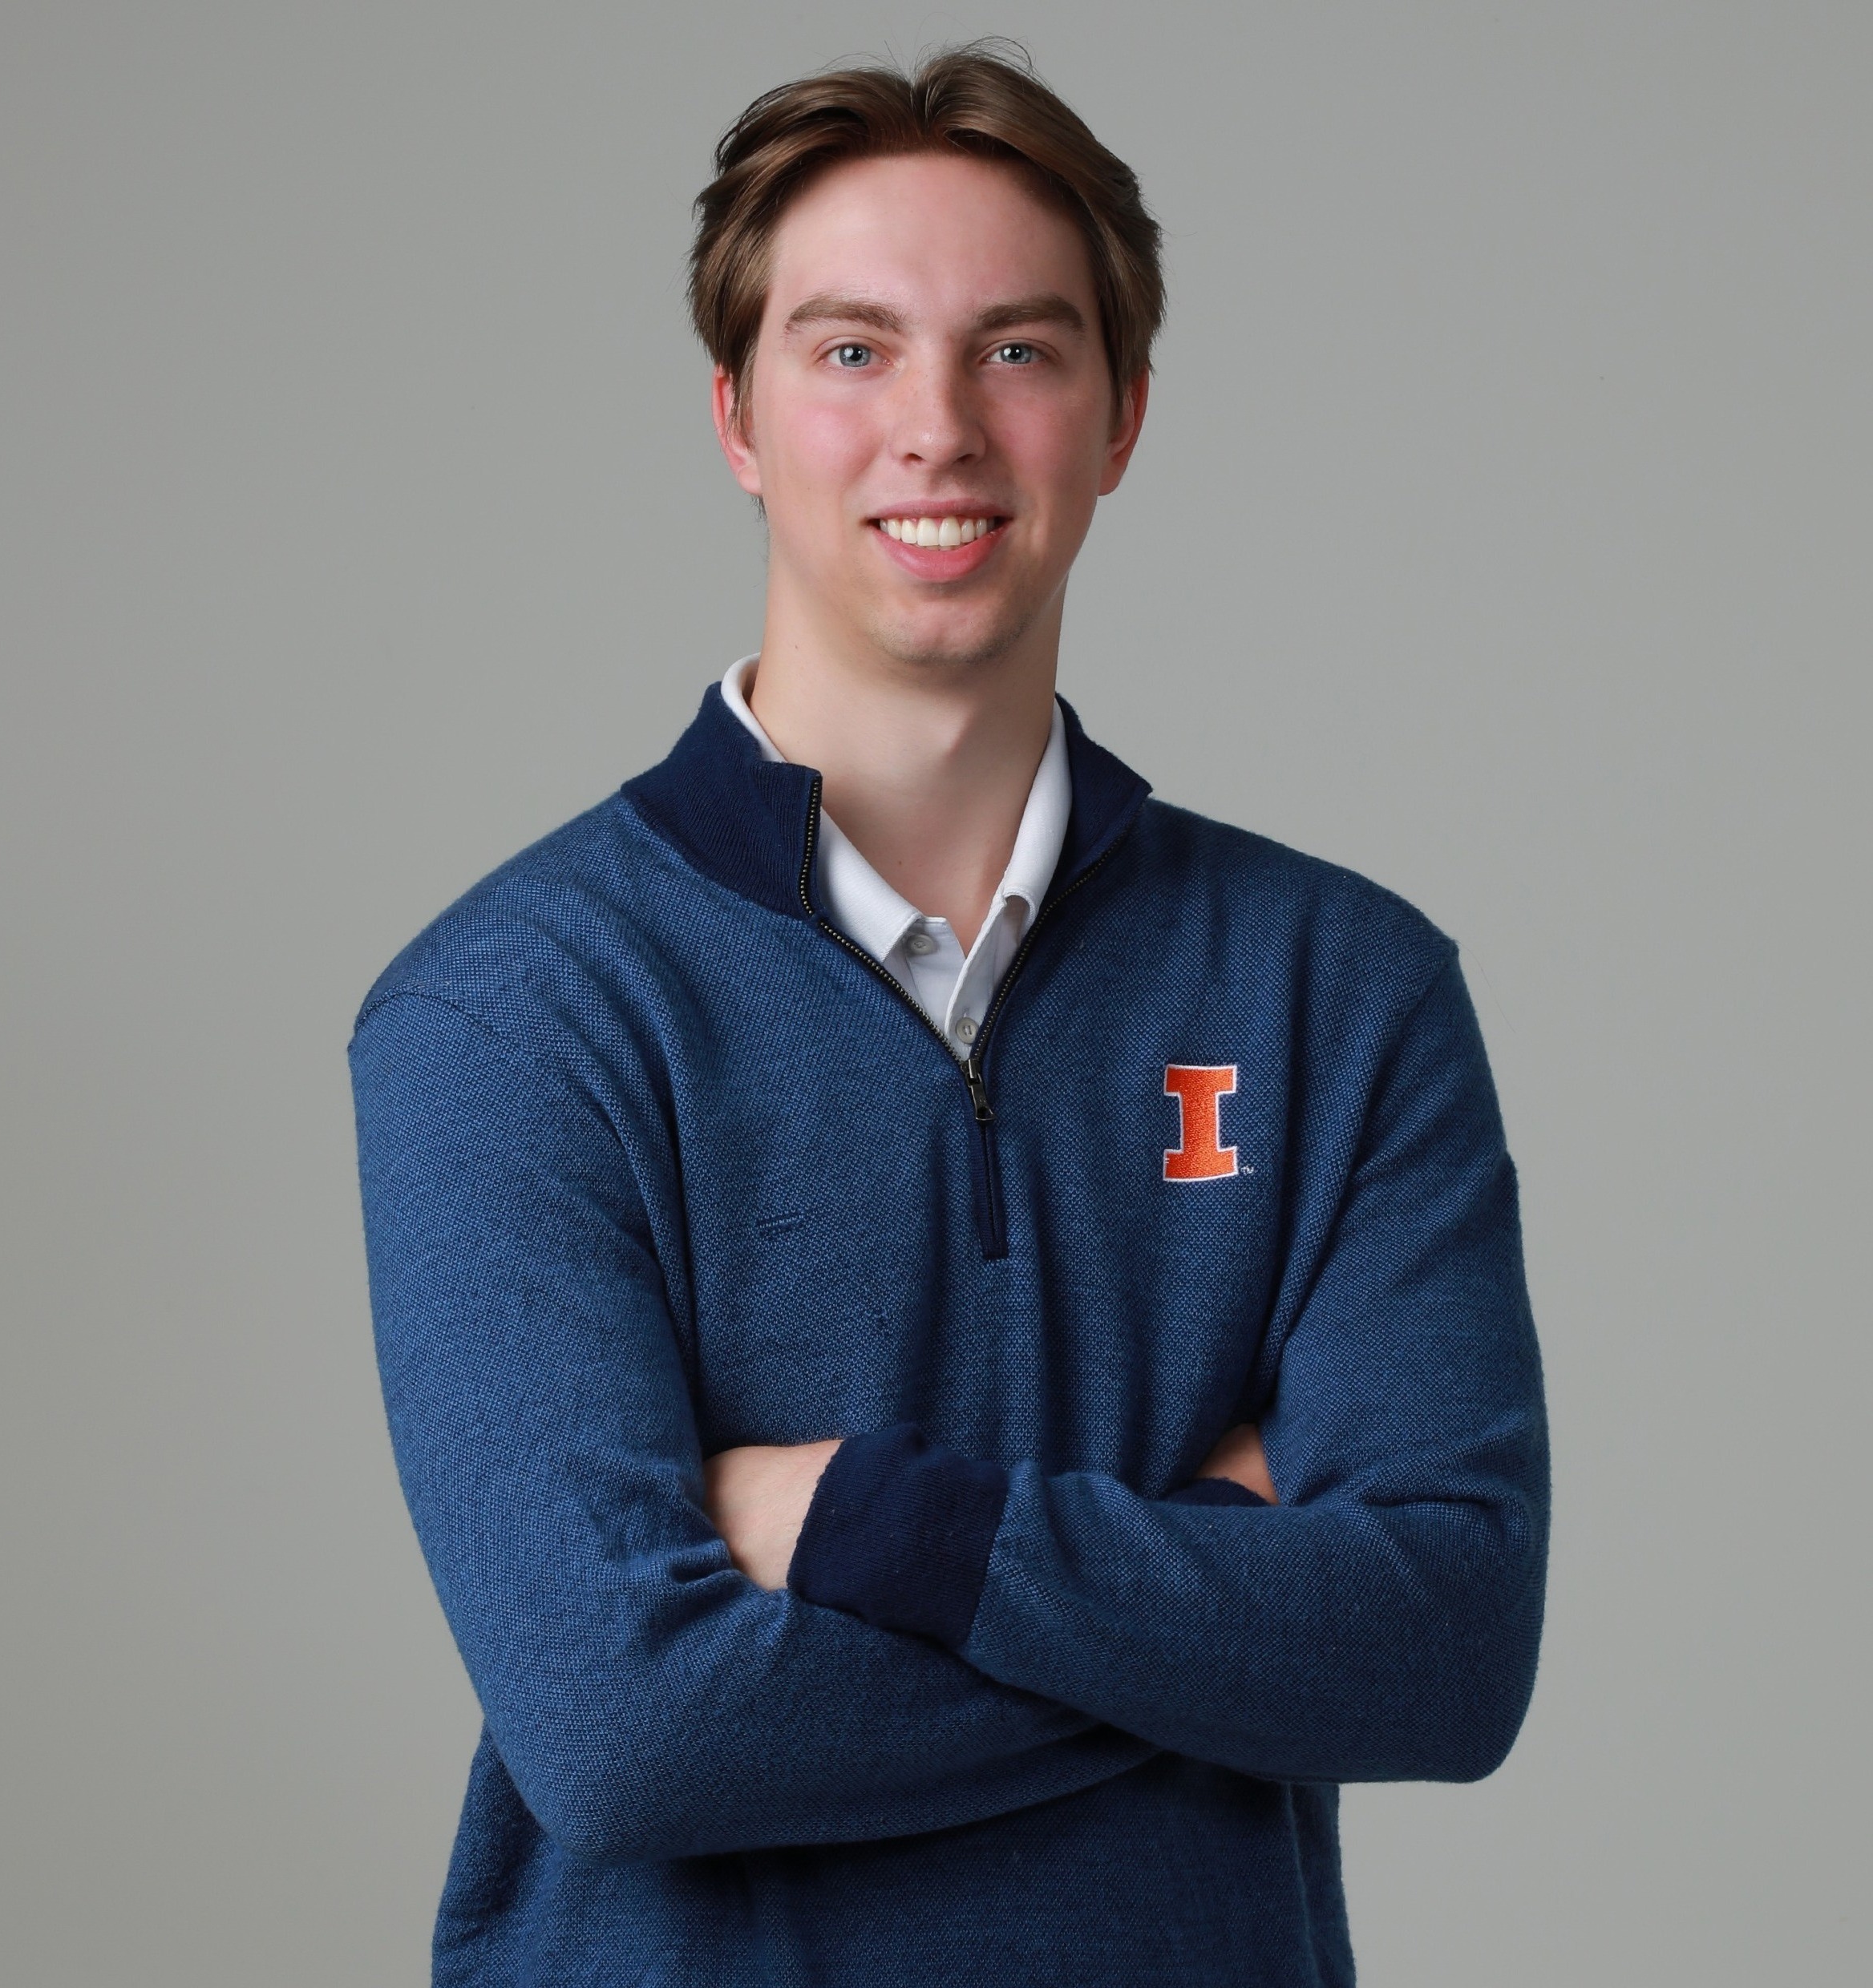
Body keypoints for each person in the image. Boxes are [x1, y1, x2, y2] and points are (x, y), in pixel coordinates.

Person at [350, 42, 1549, 1987]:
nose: (938, 430)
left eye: (1017, 349)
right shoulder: (509, 1010)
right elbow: (628, 1731)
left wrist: (874, 1525)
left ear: (1120, 414)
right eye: (848, 352)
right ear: (735, 415)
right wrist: (1208, 1592)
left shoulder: (1342, 988)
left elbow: (1445, 1644)